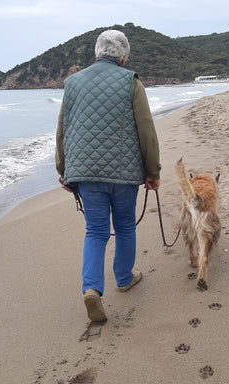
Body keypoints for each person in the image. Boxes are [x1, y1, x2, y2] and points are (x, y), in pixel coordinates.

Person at [55, 30, 161, 323]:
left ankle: (91, 289)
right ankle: (124, 278)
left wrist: (63, 170)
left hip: (87, 174)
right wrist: (153, 171)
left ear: (96, 53)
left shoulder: (73, 83)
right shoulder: (131, 81)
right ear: (124, 56)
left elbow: (62, 130)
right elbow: (146, 129)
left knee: (96, 231)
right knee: (125, 226)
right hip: (124, 174)